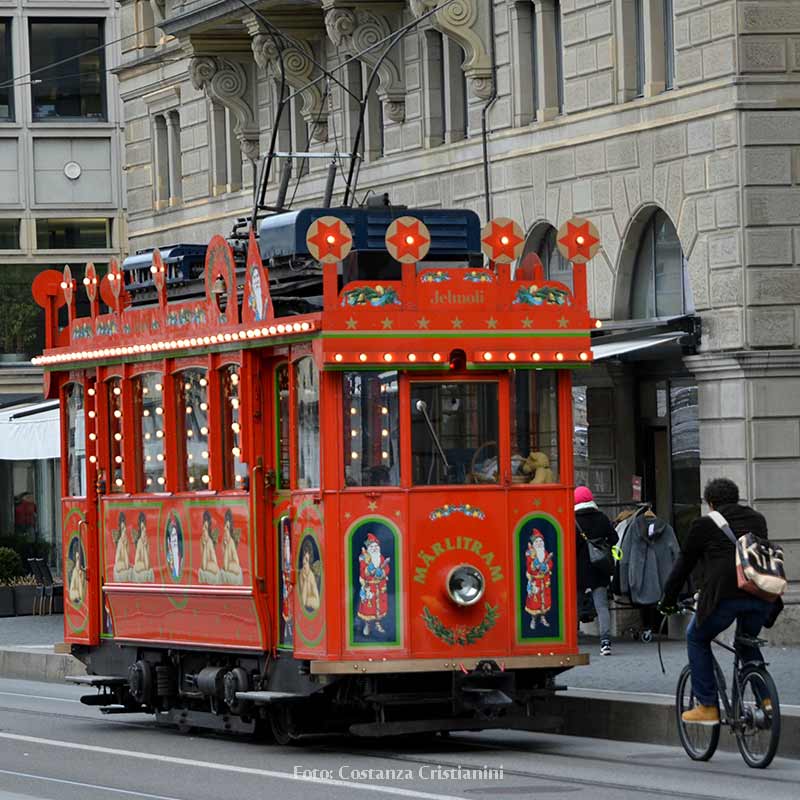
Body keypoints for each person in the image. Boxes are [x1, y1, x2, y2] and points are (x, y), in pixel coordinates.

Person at [660, 478, 776, 726]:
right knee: (746, 643)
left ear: (710, 503)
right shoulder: (757, 519)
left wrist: (668, 599)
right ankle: (766, 701)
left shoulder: (704, 524)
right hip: (760, 594)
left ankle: (708, 706)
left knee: (697, 637)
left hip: (725, 596)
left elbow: (684, 565)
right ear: (735, 498)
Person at [575, 486, 618, 656]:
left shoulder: (572, 520)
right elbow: (614, 538)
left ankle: (573, 639)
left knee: (575, 605)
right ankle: (605, 642)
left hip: (579, 569)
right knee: (601, 606)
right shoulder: (601, 517)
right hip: (599, 567)